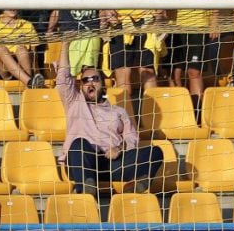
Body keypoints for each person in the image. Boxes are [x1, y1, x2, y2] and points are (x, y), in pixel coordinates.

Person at [57, 41, 163, 197]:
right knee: (78, 144)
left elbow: (131, 138)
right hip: (83, 163)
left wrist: (119, 149)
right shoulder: (74, 102)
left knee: (155, 151)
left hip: (112, 163)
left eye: (95, 79)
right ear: (81, 85)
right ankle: (87, 188)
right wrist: (65, 45)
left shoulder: (118, 111)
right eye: (86, 80)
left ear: (103, 85)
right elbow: (63, 78)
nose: (91, 82)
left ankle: (136, 185)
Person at [0, 0, 45, 89]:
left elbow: (34, 54)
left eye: (15, 2)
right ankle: (29, 82)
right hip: (1, 68)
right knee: (1, 49)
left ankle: (29, 82)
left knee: (21, 49)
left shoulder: (27, 25)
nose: (12, 6)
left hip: (24, 64)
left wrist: (37, 71)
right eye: (9, 2)